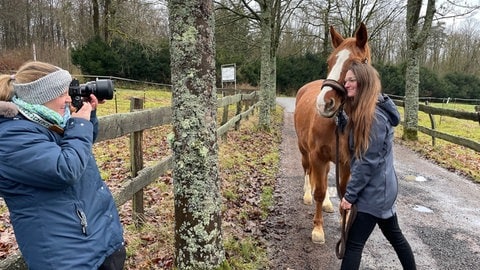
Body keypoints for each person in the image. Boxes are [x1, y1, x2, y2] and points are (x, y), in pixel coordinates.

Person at [0, 61, 125, 270]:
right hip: (63, 256)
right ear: (42, 96)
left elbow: (78, 149)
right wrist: (80, 124)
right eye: (62, 93)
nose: (68, 98)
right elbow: (65, 169)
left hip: (93, 242)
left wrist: (88, 115)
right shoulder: (10, 136)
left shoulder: (46, 121)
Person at [339, 61, 416, 270]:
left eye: (351, 80)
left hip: (374, 193)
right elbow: (359, 144)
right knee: (395, 236)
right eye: (346, 80)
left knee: (353, 245)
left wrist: (349, 196)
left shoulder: (374, 118)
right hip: (381, 190)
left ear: (364, 83)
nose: (346, 85)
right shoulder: (367, 110)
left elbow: (366, 161)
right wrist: (343, 121)